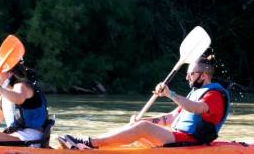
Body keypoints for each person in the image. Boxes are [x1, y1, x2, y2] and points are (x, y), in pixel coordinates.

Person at [58, 55, 230, 149]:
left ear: (204, 75)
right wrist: (144, 120)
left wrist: (171, 94)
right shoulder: (195, 93)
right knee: (139, 125)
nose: (187, 77)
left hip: (191, 141)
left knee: (143, 129)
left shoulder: (213, 95)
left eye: (191, 74)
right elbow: (169, 118)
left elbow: (197, 109)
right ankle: (95, 144)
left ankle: (91, 143)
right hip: (176, 136)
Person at [0, 61, 50, 146]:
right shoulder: (4, 97)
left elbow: (19, 98)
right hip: (18, 138)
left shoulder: (21, 85)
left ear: (10, 73)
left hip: (31, 140)